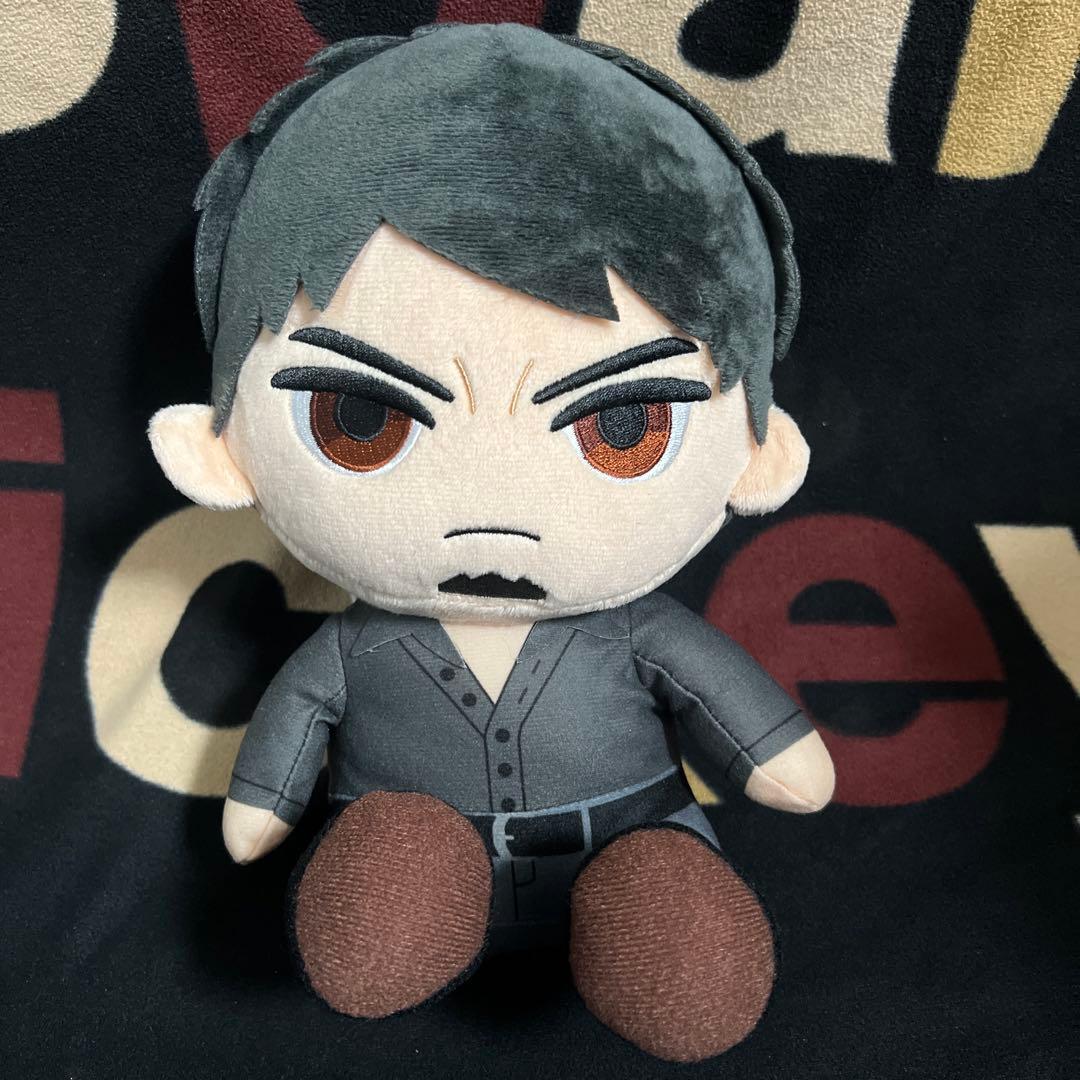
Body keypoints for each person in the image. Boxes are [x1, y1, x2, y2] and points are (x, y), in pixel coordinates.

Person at [149, 22, 834, 1063]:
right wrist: (262, 808)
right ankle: (405, 889)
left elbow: (763, 745)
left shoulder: (635, 635)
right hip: (421, 842)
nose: (495, 508)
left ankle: (658, 909)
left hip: (628, 840)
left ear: (756, 453)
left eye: (623, 428)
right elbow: (285, 748)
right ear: (221, 449)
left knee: (680, 955)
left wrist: (777, 756)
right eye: (362, 420)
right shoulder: (354, 650)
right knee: (387, 891)